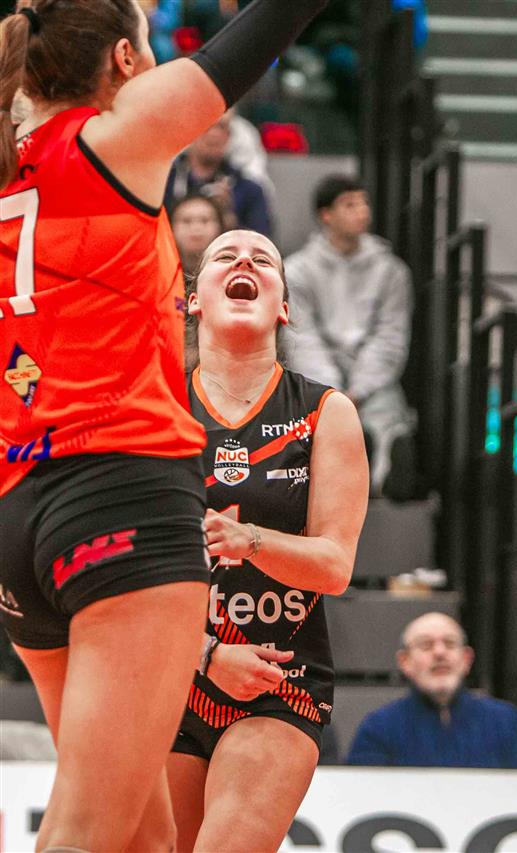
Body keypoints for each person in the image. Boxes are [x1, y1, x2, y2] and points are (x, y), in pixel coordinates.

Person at [0, 1, 326, 850]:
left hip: (16, 510)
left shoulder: (8, 157)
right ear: (122, 59)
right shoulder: (113, 139)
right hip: (120, 493)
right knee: (85, 834)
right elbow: (256, 36)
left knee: (143, 840)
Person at [166, 229, 367, 852]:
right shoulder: (160, 405)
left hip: (279, 679)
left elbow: (334, 565)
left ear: (282, 306)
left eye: (263, 260)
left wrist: (250, 538)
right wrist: (205, 655)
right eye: (225, 256)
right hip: (170, 671)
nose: (245, 262)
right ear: (194, 300)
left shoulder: (325, 412)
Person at [283, 174, 414, 494]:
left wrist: (359, 388)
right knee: (317, 417)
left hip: (373, 384)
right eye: (350, 204)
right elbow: (302, 338)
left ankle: (382, 478)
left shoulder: (392, 271)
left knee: (386, 416)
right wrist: (335, 391)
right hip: (319, 379)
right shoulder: (296, 270)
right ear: (326, 215)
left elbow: (391, 335)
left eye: (364, 202)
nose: (362, 211)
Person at [345, 612, 517, 769]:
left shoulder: (505, 722)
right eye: (425, 645)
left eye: (450, 643)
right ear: (405, 661)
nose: (439, 653)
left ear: (467, 659)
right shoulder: (378, 728)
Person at [165, 109, 273, 237]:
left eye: (221, 127)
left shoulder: (249, 191)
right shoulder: (164, 184)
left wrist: (228, 218)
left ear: (229, 135)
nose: (214, 134)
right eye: (206, 126)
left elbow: (262, 242)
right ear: (190, 132)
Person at [170, 192, 227, 277]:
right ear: (171, 227)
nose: (196, 228)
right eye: (186, 221)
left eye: (205, 220)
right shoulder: (161, 271)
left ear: (220, 226)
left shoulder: (230, 271)